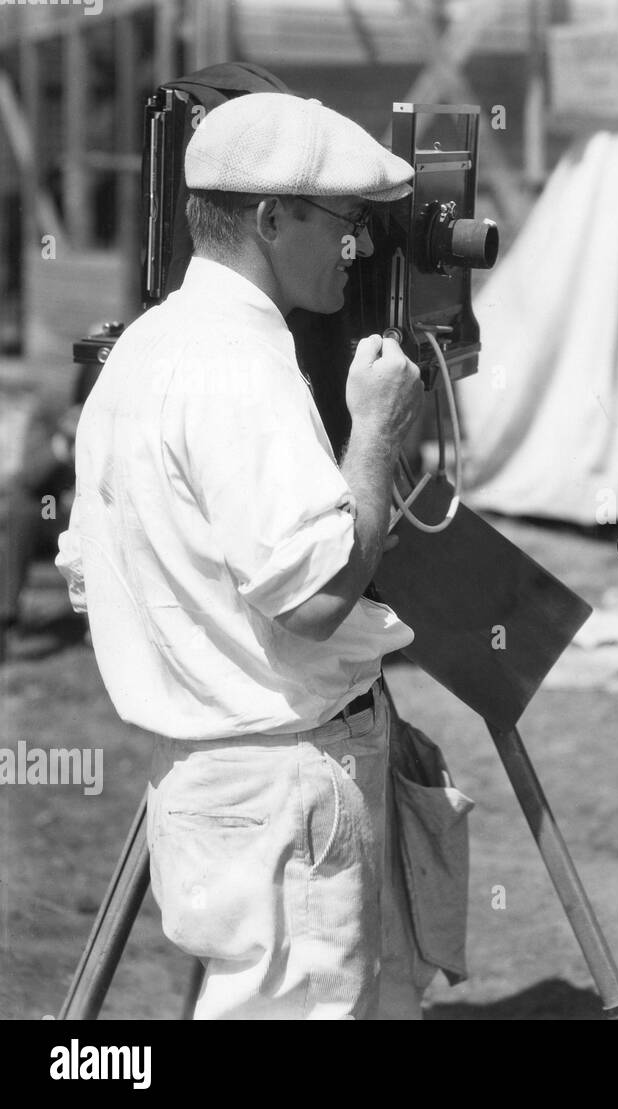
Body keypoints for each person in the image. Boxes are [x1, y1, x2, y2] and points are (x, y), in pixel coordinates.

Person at [56, 92, 431, 1018]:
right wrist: (375, 433)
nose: (355, 247)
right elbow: (311, 601)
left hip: (205, 774)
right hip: (281, 778)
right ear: (270, 218)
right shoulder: (239, 366)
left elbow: (84, 571)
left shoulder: (147, 348)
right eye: (343, 222)